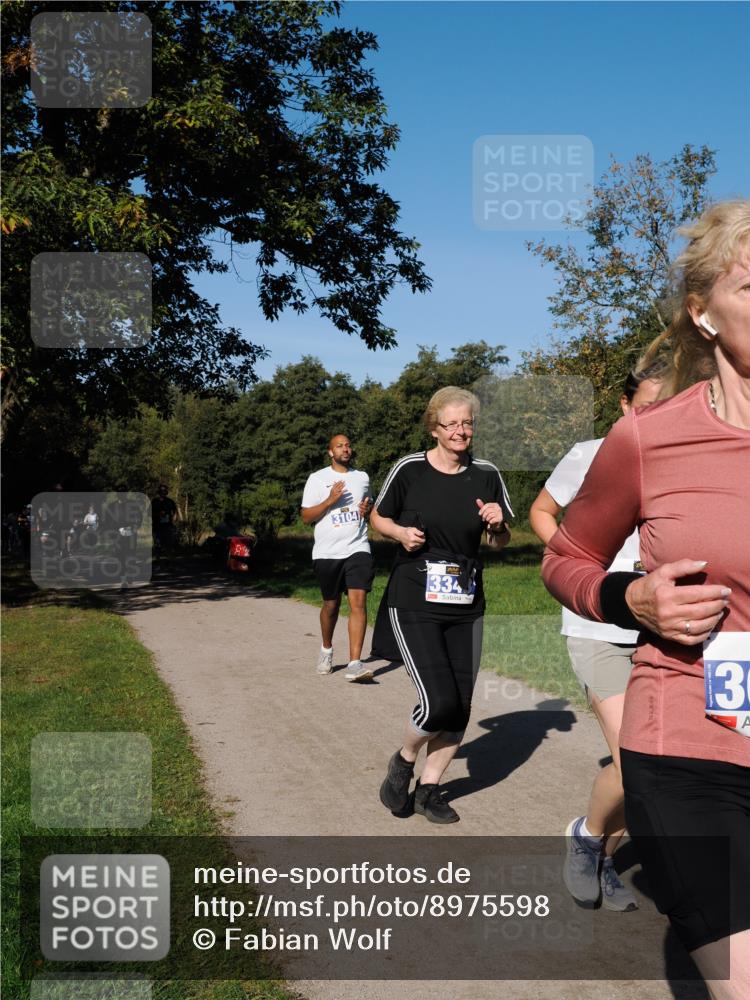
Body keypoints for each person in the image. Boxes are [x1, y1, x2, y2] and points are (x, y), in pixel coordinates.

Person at [542, 201, 750, 998]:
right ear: (701, 313)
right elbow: (567, 556)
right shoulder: (649, 439)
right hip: (692, 748)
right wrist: (634, 600)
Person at [530, 361, 665, 912]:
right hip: (598, 626)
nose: (657, 416)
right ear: (625, 405)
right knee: (637, 762)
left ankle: (603, 852)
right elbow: (543, 511)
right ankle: (587, 838)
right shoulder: (589, 453)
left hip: (665, 630)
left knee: (664, 762)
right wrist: (577, 564)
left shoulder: (685, 457)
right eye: (648, 404)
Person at [371, 386, 513, 824]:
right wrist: (398, 535)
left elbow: (501, 539)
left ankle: (430, 790)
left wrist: (496, 524)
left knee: (462, 705)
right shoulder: (410, 469)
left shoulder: (487, 474)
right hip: (414, 596)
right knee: (437, 702)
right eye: (452, 424)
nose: (461, 431)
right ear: (434, 429)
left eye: (467, 422)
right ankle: (403, 760)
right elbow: (377, 516)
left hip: (467, 601)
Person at [301, 434, 375, 682]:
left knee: (358, 601)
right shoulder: (318, 479)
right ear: (330, 452)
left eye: (347, 445)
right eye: (339, 446)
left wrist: (367, 511)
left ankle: (355, 663)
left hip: (357, 547)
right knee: (331, 605)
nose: (345, 448)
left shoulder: (362, 477)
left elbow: (369, 509)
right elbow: (306, 516)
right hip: (327, 552)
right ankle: (326, 649)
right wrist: (330, 500)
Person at [151, 485, 178, 556]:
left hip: (168, 526)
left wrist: (174, 519)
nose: (162, 493)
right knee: (157, 544)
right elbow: (148, 513)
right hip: (157, 526)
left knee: (168, 544)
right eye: (161, 491)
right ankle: (158, 560)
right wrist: (158, 514)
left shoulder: (170, 501)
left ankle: (168, 561)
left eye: (164, 491)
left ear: (166, 492)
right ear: (158, 492)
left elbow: (175, 511)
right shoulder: (154, 502)